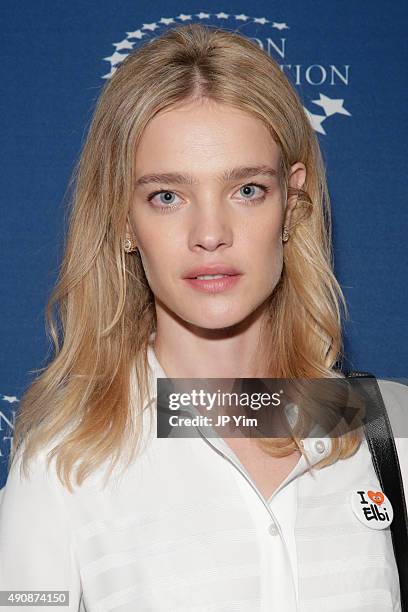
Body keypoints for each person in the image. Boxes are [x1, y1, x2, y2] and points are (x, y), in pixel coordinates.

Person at [0, 22, 407, 612]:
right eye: (168, 196)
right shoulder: (66, 464)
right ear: (122, 219)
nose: (210, 234)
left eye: (246, 189)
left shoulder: (385, 429)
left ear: (292, 202)